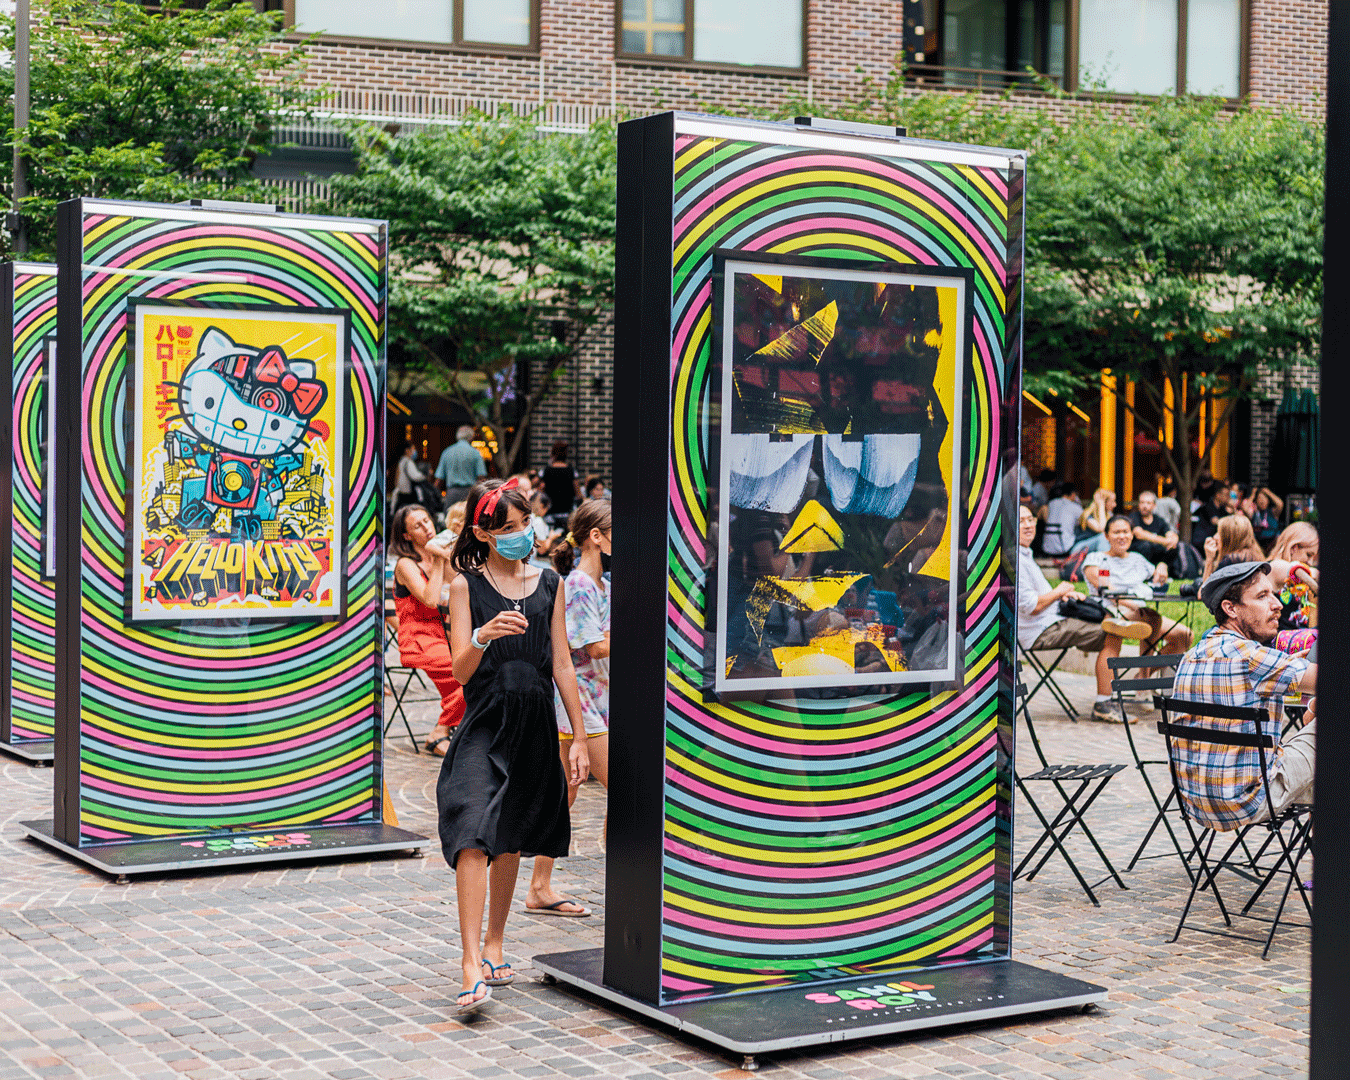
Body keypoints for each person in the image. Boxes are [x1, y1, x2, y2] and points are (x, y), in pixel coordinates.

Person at [439, 477, 591, 1014]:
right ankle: (467, 962)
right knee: (473, 827)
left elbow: (564, 663)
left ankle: (495, 943)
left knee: (511, 835)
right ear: (481, 533)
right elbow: (459, 670)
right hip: (485, 719)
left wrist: (575, 734)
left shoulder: (551, 582)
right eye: (506, 528)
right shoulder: (465, 586)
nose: (520, 534)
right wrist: (483, 636)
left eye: (524, 524)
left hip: (535, 722)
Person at [1171, 561, 1317, 829]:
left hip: (1197, 802)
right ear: (1231, 609)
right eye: (1262, 596)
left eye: (1273, 594)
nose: (1277, 604)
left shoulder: (1192, 655)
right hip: (1249, 800)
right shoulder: (1253, 658)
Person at [527, 499, 613, 918]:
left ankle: (540, 886)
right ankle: (626, 880)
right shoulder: (578, 584)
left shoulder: (604, 584)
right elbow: (593, 644)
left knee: (566, 791)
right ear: (596, 536)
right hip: (581, 702)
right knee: (628, 792)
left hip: (598, 699)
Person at [1017, 506, 1150, 722]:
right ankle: (1103, 704)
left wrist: (1065, 595)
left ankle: (1113, 694)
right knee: (1112, 632)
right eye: (1021, 521)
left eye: (1031, 519)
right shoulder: (1017, 560)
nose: (1029, 525)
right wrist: (1059, 591)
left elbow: (1040, 599)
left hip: (1054, 618)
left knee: (1114, 624)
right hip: (1039, 630)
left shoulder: (1025, 555)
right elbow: (1033, 606)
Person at [390, 505, 465, 756]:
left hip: (445, 636)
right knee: (470, 676)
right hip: (418, 640)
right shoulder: (405, 564)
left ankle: (451, 728)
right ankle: (439, 732)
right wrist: (440, 557)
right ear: (406, 536)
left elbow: (461, 585)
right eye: (417, 526)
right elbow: (430, 599)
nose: (427, 527)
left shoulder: (438, 556)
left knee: (481, 670)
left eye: (427, 520)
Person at [1085, 514, 1193, 665]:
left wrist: (1162, 566)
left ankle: (1143, 677)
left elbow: (1157, 578)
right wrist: (1135, 605)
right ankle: (1137, 682)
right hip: (1111, 610)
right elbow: (1105, 589)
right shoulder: (1096, 558)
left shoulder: (1137, 559)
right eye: (1116, 532)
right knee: (1145, 621)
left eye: (1126, 532)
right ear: (1106, 536)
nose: (1122, 536)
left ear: (1131, 534)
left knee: (1185, 635)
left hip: (1140, 613)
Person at [1131, 489, 1201, 579]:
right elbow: (1139, 533)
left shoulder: (1159, 520)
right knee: (1146, 546)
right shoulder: (1134, 516)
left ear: (1154, 505)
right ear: (1139, 505)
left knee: (1174, 547)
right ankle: (1148, 574)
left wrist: (1173, 540)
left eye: (1148, 503)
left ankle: (1163, 570)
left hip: (1156, 552)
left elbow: (1170, 534)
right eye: (1142, 503)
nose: (1145, 506)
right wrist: (1164, 541)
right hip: (1139, 551)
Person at [434, 424, 486, 507]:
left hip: (451, 494)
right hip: (469, 494)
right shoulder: (475, 453)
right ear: (471, 437)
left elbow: (439, 478)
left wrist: (433, 494)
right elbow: (481, 478)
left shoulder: (447, 452)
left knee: (450, 518)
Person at [542, 441, 581, 527]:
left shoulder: (546, 470)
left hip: (550, 512)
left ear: (553, 453)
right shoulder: (571, 471)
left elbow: (541, 490)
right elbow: (578, 493)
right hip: (567, 511)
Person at [1067, 487, 1115, 555]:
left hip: (1095, 547)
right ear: (1104, 502)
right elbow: (1101, 529)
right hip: (1079, 549)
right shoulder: (1087, 515)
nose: (1115, 505)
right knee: (1103, 537)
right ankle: (1106, 562)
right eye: (1112, 501)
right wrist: (1101, 505)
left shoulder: (1109, 515)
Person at [1040, 482, 1082, 557]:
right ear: (1073, 495)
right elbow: (1082, 522)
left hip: (1047, 547)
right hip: (1064, 548)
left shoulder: (1051, 503)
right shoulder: (1075, 507)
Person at [393, 442, 426, 513]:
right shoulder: (408, 462)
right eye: (413, 449)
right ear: (407, 450)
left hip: (401, 494)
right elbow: (415, 477)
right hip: (408, 496)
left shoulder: (401, 461)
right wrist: (424, 476)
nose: (414, 452)